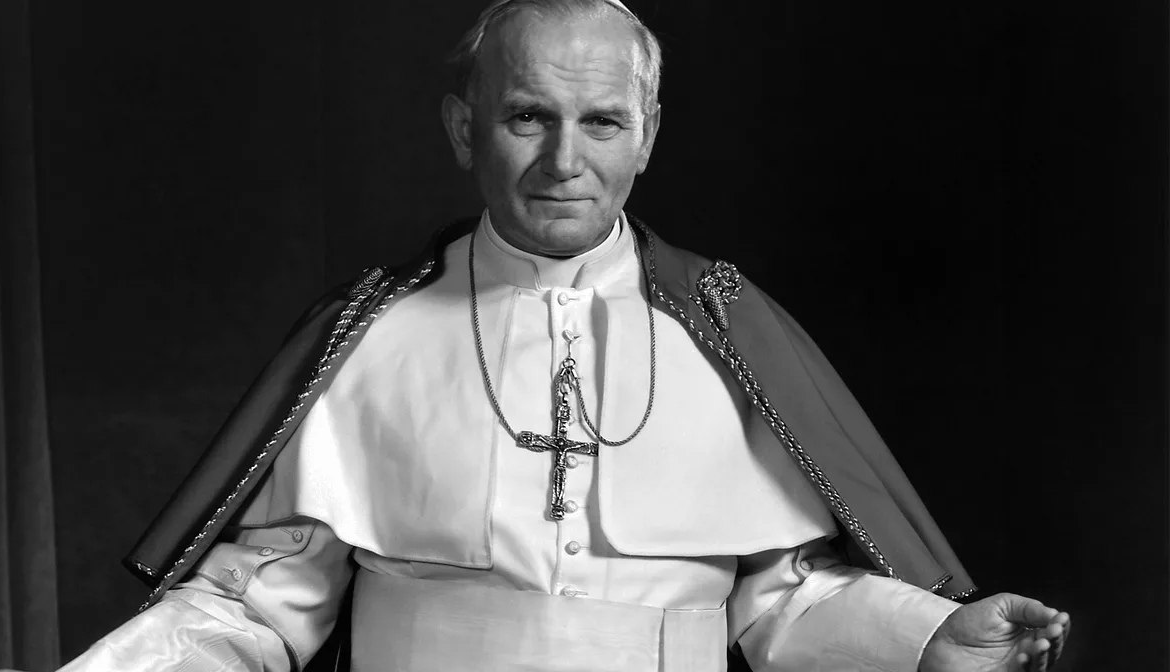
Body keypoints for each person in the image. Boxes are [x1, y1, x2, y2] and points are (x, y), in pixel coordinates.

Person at [59, 1, 1070, 670]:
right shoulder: (371, 331)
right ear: (464, 127)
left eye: (601, 122)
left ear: (648, 134)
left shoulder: (725, 328)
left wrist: (927, 639)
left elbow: (781, 604)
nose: (562, 162)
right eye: (526, 118)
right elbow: (257, 607)